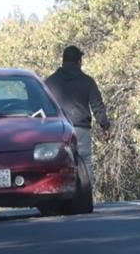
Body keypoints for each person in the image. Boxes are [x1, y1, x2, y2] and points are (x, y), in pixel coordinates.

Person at [45, 45, 111, 186]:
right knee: (85, 161)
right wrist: (104, 126)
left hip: (58, 131)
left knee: (59, 164)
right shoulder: (87, 81)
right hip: (81, 129)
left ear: (63, 61)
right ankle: (85, 195)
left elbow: (41, 107)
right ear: (79, 62)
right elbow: (97, 105)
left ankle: (61, 194)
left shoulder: (49, 82)